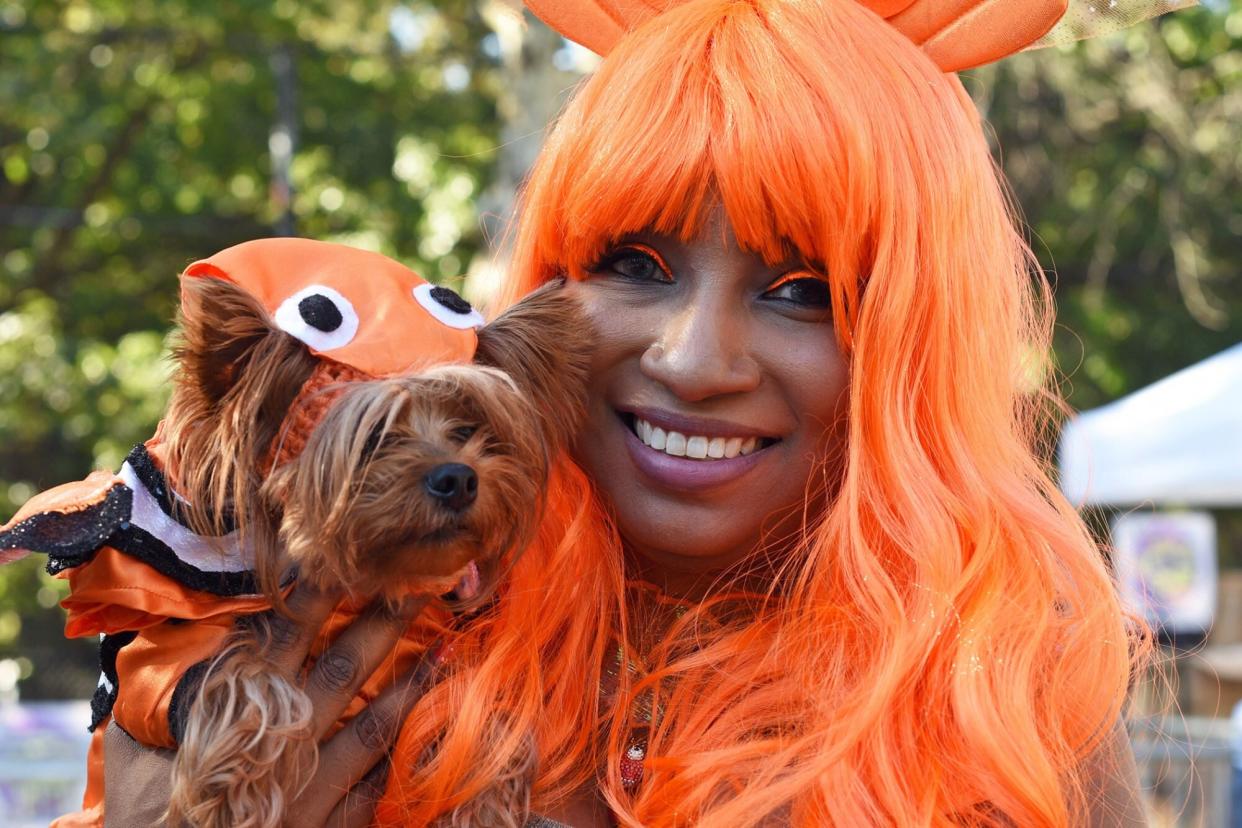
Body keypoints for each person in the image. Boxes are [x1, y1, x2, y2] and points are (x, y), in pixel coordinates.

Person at [96, 0, 1174, 825]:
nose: (695, 359)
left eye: (805, 291)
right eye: (636, 263)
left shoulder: (1011, 698)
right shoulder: (338, 629)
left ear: (907, 338)